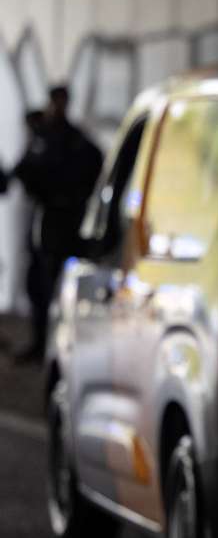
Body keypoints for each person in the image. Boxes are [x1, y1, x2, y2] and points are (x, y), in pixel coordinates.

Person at [9, 88, 102, 363]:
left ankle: (56, 345)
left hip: (63, 224)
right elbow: (25, 171)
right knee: (37, 286)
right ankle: (41, 344)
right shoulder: (47, 136)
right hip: (46, 220)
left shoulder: (72, 141)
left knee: (56, 288)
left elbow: (87, 169)